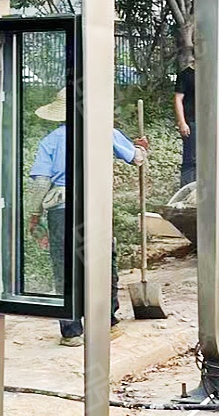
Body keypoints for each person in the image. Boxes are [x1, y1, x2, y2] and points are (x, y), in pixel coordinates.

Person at [28, 91, 148, 347]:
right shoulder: (105, 132)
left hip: (61, 210)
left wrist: (34, 214)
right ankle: (107, 323)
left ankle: (71, 331)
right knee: (102, 263)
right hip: (96, 208)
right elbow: (137, 159)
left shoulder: (51, 140)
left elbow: (41, 182)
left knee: (64, 267)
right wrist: (140, 148)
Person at [173, 63, 196, 186]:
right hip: (191, 121)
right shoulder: (185, 75)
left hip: (209, 121)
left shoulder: (211, 73)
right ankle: (186, 189)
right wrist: (182, 122)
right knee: (190, 158)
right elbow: (178, 99)